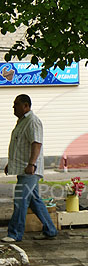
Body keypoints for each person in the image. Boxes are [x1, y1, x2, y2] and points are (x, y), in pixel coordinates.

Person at [2, 95, 58, 242]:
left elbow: (36, 144)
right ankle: (50, 230)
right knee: (35, 201)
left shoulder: (33, 121)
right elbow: (19, 145)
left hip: (30, 170)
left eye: (16, 104)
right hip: (23, 167)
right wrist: (11, 163)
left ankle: (14, 234)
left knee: (20, 199)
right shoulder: (23, 121)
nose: (13, 107)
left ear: (26, 106)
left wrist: (32, 164)